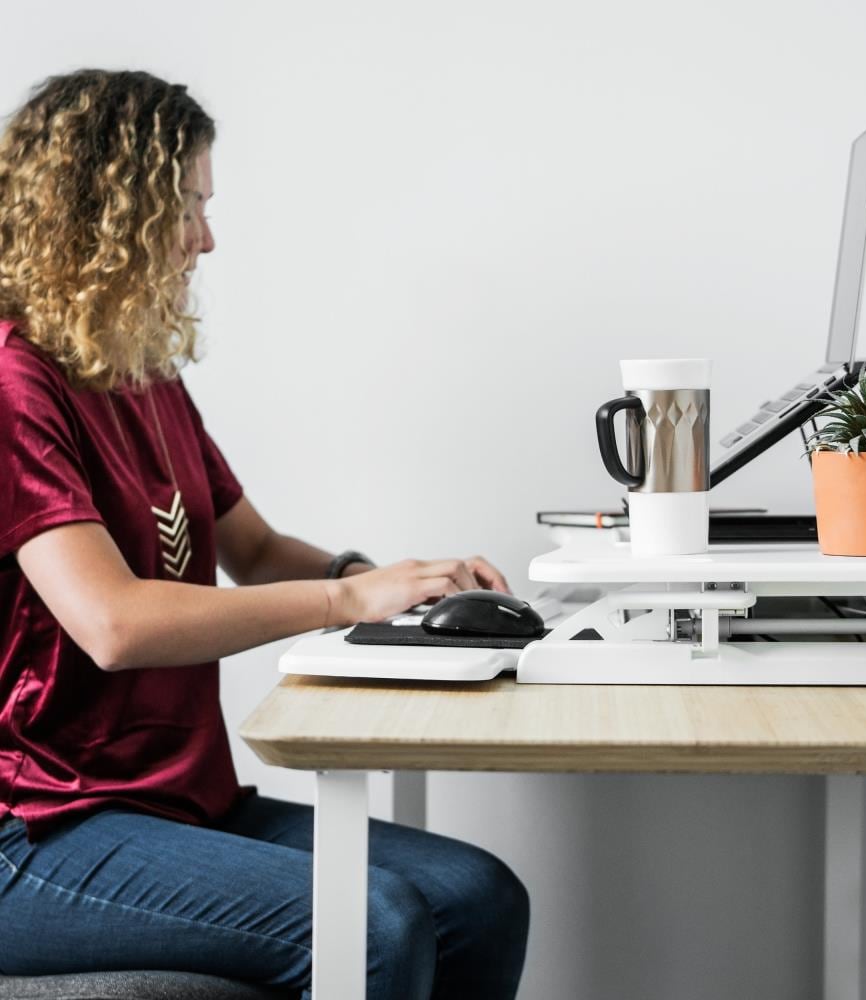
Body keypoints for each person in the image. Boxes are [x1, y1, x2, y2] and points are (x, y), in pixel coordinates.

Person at [0, 69, 529, 999]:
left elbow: (250, 548)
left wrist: (392, 581)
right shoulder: (15, 383)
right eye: (186, 208)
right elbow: (112, 624)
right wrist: (341, 600)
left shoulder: (136, 372)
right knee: (374, 926)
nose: (207, 238)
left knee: (479, 897)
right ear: (104, 212)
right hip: (39, 825)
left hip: (176, 800)